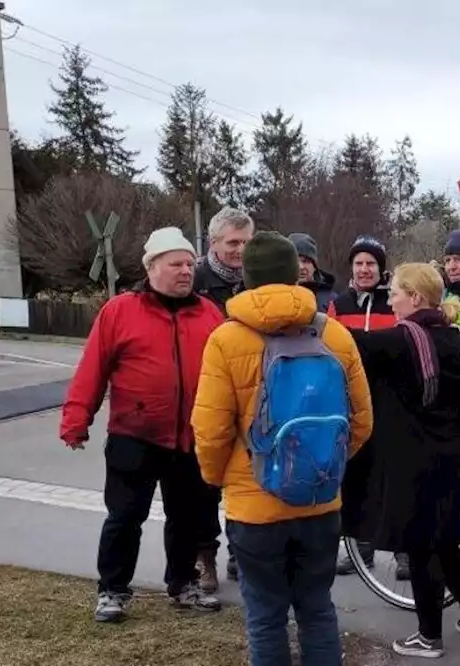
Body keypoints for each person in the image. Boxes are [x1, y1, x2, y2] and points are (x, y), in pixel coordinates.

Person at [191, 231, 374, 666]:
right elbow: (362, 422)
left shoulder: (226, 339)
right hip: (321, 503)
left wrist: (221, 480)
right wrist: (322, 465)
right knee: (317, 609)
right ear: (297, 273)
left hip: (255, 509)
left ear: (246, 278)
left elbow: (211, 430)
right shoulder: (335, 334)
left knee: (266, 616)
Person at [60, 226, 225, 623]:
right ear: (151, 267)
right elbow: (92, 369)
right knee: (124, 517)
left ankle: (183, 583)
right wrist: (76, 419)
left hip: (189, 437)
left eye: (190, 264)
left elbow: (228, 374)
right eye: (176, 264)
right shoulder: (120, 311)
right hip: (135, 435)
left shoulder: (209, 314)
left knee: (186, 519)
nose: (186, 271)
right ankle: (113, 590)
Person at [349, 262, 460, 659]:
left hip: (415, 461)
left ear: (414, 297)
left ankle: (429, 637)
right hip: (455, 457)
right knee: (446, 542)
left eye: (394, 291)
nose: (389, 298)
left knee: (420, 547)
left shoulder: (399, 341)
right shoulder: (458, 335)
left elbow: (344, 343)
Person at [192, 206, 255, 589]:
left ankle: (239, 553)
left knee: (241, 481)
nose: (240, 250)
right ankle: (205, 559)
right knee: (204, 485)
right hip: (206, 391)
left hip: (247, 396)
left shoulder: (254, 279)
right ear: (214, 243)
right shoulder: (194, 279)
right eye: (233, 243)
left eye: (246, 243)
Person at [329, 235, 400, 576]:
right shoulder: (339, 304)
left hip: (390, 401)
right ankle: (360, 546)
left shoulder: (394, 302)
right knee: (356, 475)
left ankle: (402, 550)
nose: (364, 269)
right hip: (351, 400)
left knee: (392, 475)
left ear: (381, 269)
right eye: (359, 263)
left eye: (371, 263)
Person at [289, 232, 339, 312]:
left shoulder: (332, 301)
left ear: (315, 266)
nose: (301, 267)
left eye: (306, 261)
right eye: (295, 261)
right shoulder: (275, 297)